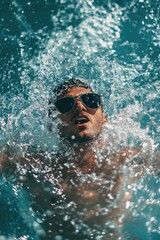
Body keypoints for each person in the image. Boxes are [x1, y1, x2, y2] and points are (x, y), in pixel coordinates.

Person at [0, 78, 158, 239]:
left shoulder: (128, 160)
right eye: (65, 105)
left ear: (104, 118)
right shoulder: (35, 167)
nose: (80, 107)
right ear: (52, 124)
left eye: (90, 100)